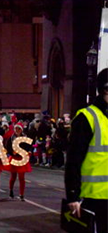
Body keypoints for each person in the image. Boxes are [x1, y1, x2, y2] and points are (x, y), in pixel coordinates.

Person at [66, 68, 108, 232]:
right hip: (93, 198)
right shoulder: (86, 117)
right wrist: (73, 195)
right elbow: (73, 161)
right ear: (104, 90)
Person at [5, 122, 32, 201]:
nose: (17, 130)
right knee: (13, 176)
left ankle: (21, 194)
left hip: (22, 159)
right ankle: (11, 190)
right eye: (16, 129)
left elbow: (29, 146)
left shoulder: (25, 138)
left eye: (19, 129)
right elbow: (8, 147)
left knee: (21, 177)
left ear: (21, 130)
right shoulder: (11, 138)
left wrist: (29, 151)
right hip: (14, 158)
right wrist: (11, 152)